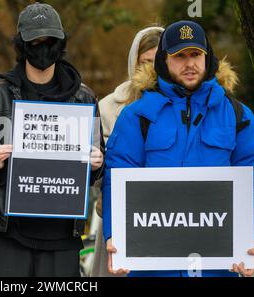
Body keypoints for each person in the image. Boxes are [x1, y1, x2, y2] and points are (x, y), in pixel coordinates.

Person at [102, 20, 254, 277]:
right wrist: (115, 236)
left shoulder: (237, 115)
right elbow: (117, 178)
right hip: (154, 266)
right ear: (164, 61)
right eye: (179, 56)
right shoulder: (136, 116)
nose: (189, 63)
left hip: (217, 266)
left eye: (195, 54)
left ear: (207, 57)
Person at [0, 2, 104, 277]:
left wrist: (96, 163)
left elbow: (98, 171)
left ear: (61, 42)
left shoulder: (84, 98)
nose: (42, 47)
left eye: (49, 40)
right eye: (34, 41)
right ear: (21, 45)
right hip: (6, 232)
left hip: (62, 235)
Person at [91, 26, 164, 277]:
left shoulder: (185, 106)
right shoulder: (109, 107)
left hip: (170, 215)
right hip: (120, 216)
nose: (152, 71)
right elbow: (98, 170)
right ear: (134, 62)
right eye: (145, 62)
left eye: (159, 62)